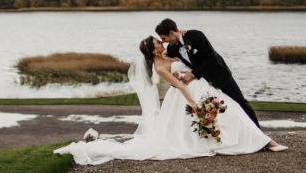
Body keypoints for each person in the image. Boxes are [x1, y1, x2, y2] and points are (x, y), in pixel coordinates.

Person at [54, 35, 286, 165]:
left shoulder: (170, 53)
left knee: (232, 110)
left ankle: (262, 140)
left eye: (161, 41)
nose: (162, 44)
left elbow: (186, 54)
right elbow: (178, 84)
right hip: (187, 94)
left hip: (202, 86)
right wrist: (194, 104)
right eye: (158, 43)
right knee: (215, 119)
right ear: (153, 51)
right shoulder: (159, 65)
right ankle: (257, 142)